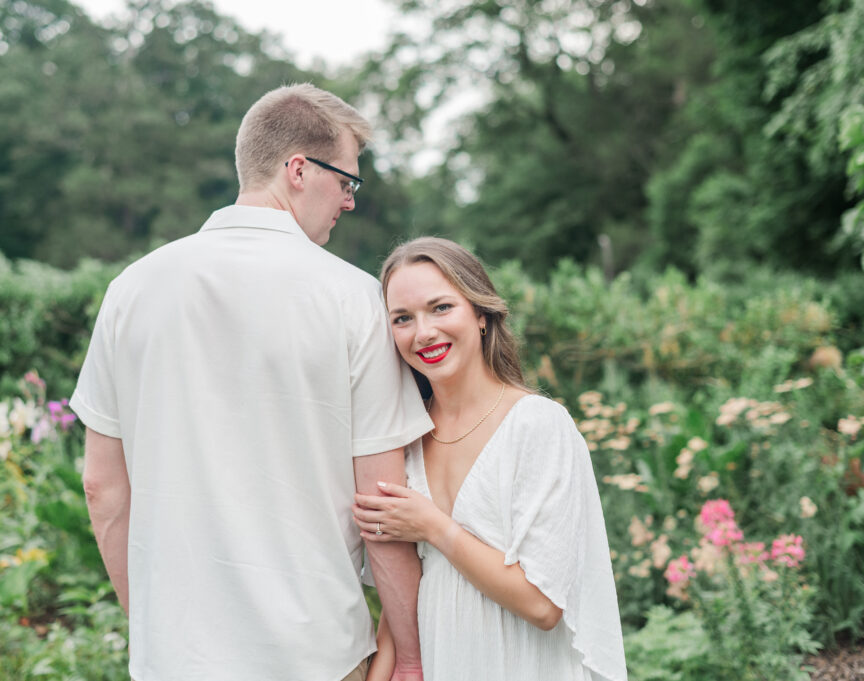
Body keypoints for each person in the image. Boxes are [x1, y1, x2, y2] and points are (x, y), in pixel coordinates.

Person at [71, 84, 434, 681]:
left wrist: (154, 633)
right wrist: (414, 658)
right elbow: (381, 505)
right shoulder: (353, 299)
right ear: (298, 169)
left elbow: (101, 488)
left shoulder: (130, 290)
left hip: (173, 659)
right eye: (347, 182)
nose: (349, 203)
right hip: (315, 655)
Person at [354, 237, 627, 681]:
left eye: (441, 308)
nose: (423, 332)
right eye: (402, 318)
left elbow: (543, 605)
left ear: (481, 315)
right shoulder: (403, 439)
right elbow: (402, 596)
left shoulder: (537, 426)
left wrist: (435, 527)